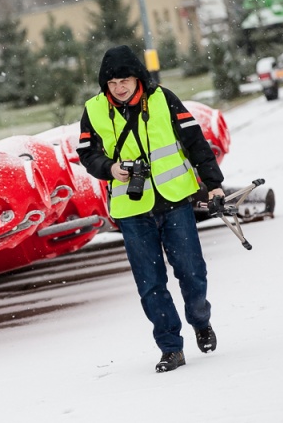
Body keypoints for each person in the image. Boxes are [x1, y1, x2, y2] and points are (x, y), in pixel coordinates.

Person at [76, 45, 225, 373]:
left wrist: (213, 182)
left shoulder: (163, 98)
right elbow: (87, 153)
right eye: (112, 83)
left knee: (191, 271)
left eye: (125, 79)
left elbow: (195, 141)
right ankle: (171, 348)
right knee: (150, 283)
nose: (119, 87)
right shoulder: (94, 110)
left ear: (137, 77)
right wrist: (109, 168)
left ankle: (200, 320)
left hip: (175, 201)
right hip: (132, 209)